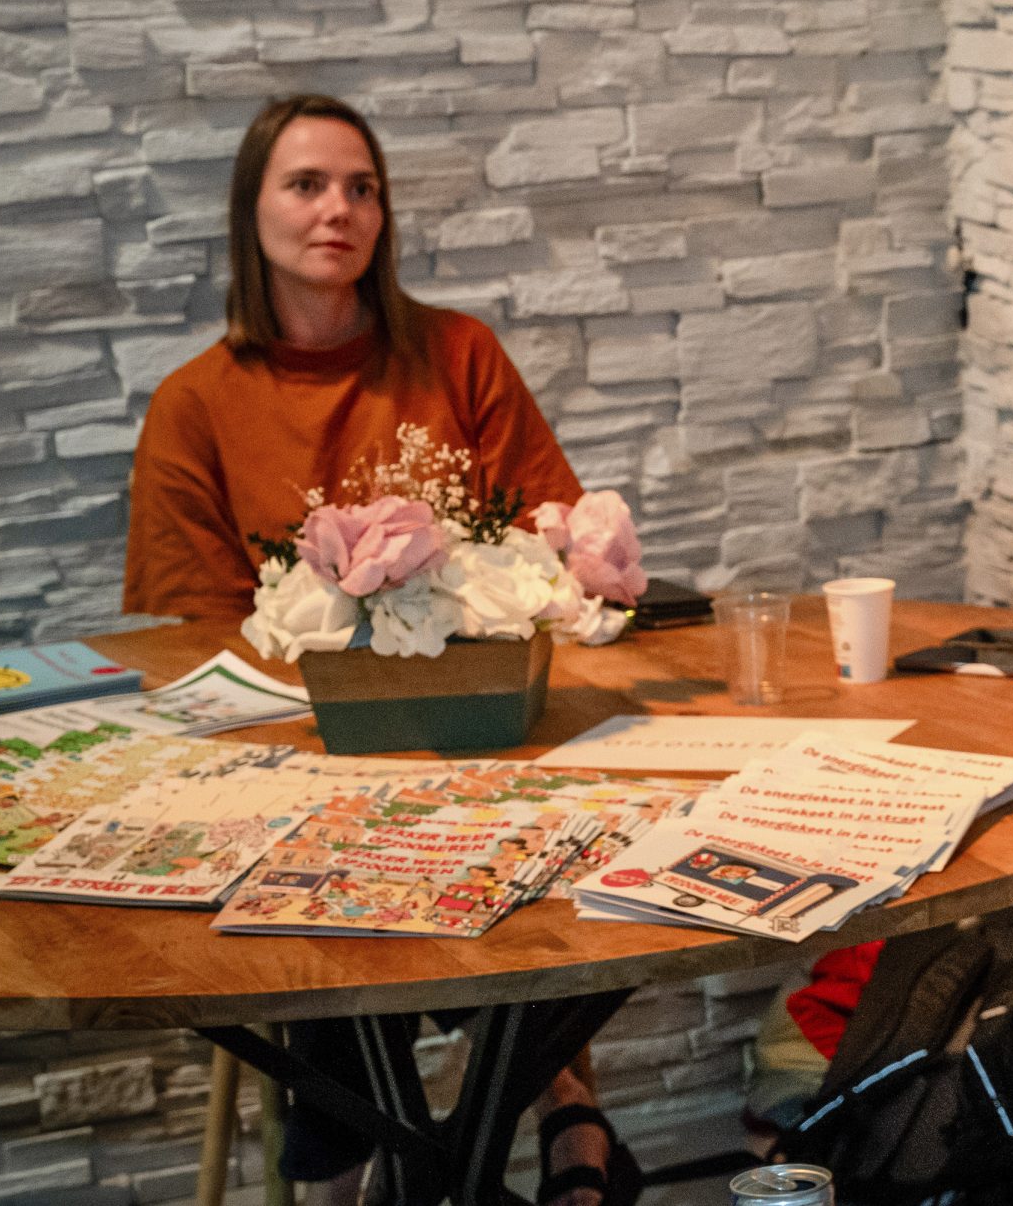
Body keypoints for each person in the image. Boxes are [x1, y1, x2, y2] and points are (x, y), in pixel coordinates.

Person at [123, 95, 636, 1206]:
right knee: (334, 876)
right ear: (252, 210)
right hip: (304, 768)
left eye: (363, 188)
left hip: (476, 744)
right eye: (307, 184)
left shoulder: (457, 352)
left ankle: (396, 1154)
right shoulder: (195, 405)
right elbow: (188, 645)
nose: (340, 210)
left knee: (530, 833)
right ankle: (542, 1124)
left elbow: (548, 553)